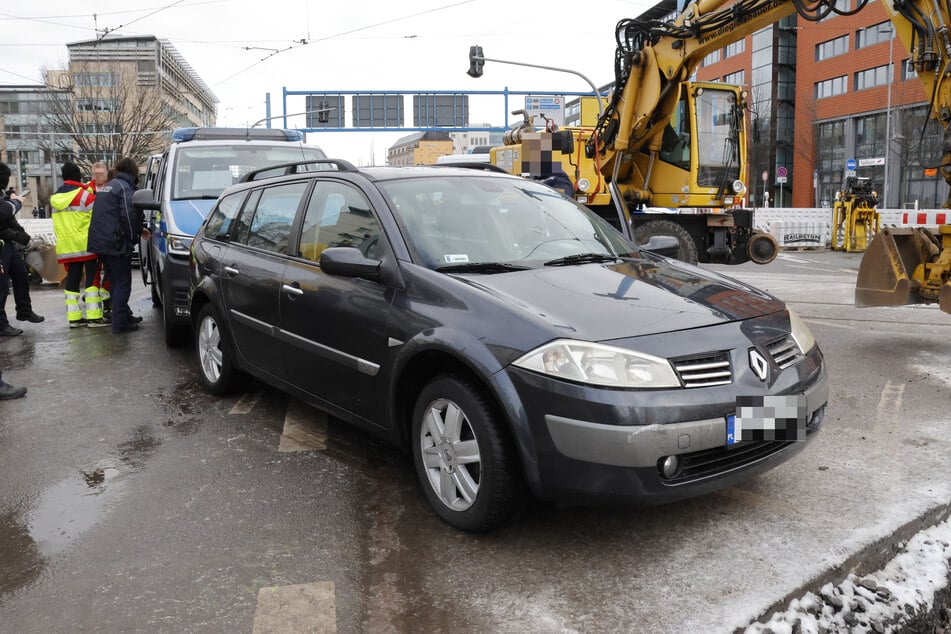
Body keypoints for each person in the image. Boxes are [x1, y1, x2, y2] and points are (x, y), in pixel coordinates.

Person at [87, 158, 148, 334]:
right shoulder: (124, 188)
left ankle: (122, 316)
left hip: (102, 243)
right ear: (133, 173)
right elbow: (129, 217)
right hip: (116, 244)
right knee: (123, 283)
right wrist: (132, 239)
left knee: (114, 282)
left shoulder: (110, 186)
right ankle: (120, 324)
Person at [50, 162, 107, 328]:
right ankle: (94, 317)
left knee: (72, 281)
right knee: (91, 280)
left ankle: (74, 318)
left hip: (66, 248)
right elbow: (99, 219)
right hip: (86, 245)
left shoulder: (54, 199)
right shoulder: (85, 196)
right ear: (78, 176)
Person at [0, 161, 44, 337]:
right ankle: (1, 324)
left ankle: (24, 310)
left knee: (21, 277)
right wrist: (15, 203)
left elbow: (7, 219)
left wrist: (20, 232)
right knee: (2, 287)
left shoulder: (2, 194)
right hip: (2, 245)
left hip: (7, 245)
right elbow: (3, 214)